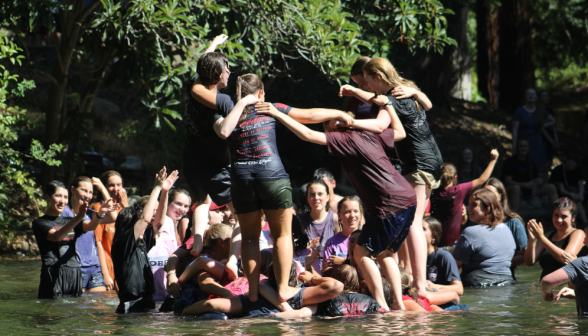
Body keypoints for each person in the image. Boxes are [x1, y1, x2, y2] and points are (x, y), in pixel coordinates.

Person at [256, 97, 417, 311]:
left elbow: (308, 134)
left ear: (337, 125)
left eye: (326, 124)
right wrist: (387, 103)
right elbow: (401, 132)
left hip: (388, 203)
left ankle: (382, 306)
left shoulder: (345, 138)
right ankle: (398, 303)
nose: (326, 129)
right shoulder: (369, 133)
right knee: (385, 252)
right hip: (408, 197)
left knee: (361, 253)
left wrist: (278, 114)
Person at [216, 73, 354, 303]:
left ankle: (251, 292)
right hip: (272, 177)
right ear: (260, 93)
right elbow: (309, 115)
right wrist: (338, 112)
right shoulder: (270, 107)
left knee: (250, 238)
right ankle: (283, 288)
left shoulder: (231, 113)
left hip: (242, 178)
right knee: (282, 234)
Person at [339, 57, 441, 298]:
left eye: (367, 81)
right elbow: (425, 104)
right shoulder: (404, 88)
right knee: (413, 219)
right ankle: (418, 279)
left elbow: (379, 125)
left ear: (378, 77)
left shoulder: (392, 100)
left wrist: (349, 124)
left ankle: (420, 284)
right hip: (433, 159)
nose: (367, 86)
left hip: (417, 161)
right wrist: (355, 92)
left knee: (414, 223)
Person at [32, 181, 117, 299]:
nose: (62, 201)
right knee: (52, 313)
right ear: (47, 197)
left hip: (74, 273)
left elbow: (91, 226)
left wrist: (100, 213)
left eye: (65, 197)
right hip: (53, 274)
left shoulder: (70, 220)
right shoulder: (40, 223)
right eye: (58, 196)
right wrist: (78, 217)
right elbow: (57, 236)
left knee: (76, 313)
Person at [112, 167, 178, 313]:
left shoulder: (141, 242)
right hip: (131, 307)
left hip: (145, 303)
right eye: (139, 223)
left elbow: (158, 223)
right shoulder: (123, 243)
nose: (145, 226)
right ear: (129, 226)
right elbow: (146, 219)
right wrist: (156, 188)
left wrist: (165, 192)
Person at [431, 149, 499, 247]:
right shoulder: (459, 190)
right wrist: (493, 160)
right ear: (455, 178)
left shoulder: (433, 191)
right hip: (452, 243)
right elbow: (482, 180)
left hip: (434, 241)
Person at [453, 189, 516, 287]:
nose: (468, 208)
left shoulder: (470, 232)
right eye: (468, 203)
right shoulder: (506, 229)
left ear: (488, 208)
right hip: (507, 284)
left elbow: (454, 266)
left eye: (474, 205)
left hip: (476, 285)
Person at [62, 176, 115, 293]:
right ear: (72, 190)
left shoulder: (90, 213)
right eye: (84, 190)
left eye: (91, 192)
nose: (88, 195)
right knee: (78, 308)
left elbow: (113, 217)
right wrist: (101, 213)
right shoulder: (65, 212)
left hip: (94, 269)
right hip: (75, 269)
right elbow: (88, 226)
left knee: (97, 306)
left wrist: (102, 189)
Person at [524, 197, 587, 280]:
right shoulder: (548, 235)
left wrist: (541, 238)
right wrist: (533, 239)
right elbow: (529, 262)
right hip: (545, 288)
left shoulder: (578, 233)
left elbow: (566, 259)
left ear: (573, 218)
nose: (559, 220)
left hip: (565, 289)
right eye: (556, 215)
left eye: (564, 216)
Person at [482, 178, 528, 276]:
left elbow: (524, 256)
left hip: (504, 276)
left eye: (490, 193)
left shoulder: (513, 222)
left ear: (500, 196)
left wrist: (497, 263)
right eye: (484, 193)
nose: (486, 197)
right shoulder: (477, 221)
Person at [92, 170, 127, 291]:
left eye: (119, 185)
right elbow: (98, 243)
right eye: (111, 185)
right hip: (107, 265)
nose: (116, 189)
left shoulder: (124, 207)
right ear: (104, 188)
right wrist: (105, 275)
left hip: (123, 264)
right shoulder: (98, 208)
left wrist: (125, 204)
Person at [298, 179, 340, 274]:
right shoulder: (300, 220)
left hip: (330, 271)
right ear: (307, 199)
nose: (316, 198)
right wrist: (305, 248)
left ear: (327, 197)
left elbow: (340, 246)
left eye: (320, 194)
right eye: (312, 194)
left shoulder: (334, 219)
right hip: (306, 271)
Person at [503, 139, 558, 212]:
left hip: (529, 190)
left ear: (528, 148)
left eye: (525, 146)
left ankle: (557, 213)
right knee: (516, 188)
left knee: (551, 187)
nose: (523, 148)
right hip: (515, 190)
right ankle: (513, 218)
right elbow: (507, 182)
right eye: (521, 146)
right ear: (517, 148)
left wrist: (539, 181)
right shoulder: (510, 161)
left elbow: (536, 178)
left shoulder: (531, 162)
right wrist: (525, 185)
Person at [512, 88, 557, 177]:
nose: (530, 96)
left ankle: (537, 186)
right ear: (525, 97)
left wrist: (542, 126)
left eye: (533, 94)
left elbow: (552, 120)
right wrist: (514, 146)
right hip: (523, 141)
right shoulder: (519, 111)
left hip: (537, 142)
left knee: (538, 165)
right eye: (528, 94)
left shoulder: (540, 110)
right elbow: (515, 130)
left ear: (536, 97)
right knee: (524, 163)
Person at [322, 196, 362, 276]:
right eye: (347, 212)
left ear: (360, 214)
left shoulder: (368, 238)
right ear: (339, 215)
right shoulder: (332, 242)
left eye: (356, 211)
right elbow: (326, 271)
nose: (352, 215)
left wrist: (343, 262)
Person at [422, 217, 463, 295]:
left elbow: (459, 289)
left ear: (434, 237)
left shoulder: (444, 257)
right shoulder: (411, 258)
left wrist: (434, 286)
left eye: (423, 229)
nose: (418, 232)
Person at [550, 153, 586, 227]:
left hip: (575, 193)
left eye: (576, 162)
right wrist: (571, 194)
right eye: (572, 161)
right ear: (567, 161)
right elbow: (561, 189)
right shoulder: (559, 170)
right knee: (576, 201)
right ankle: (585, 221)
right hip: (562, 195)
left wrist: (581, 193)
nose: (574, 164)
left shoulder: (578, 169)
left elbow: (580, 185)